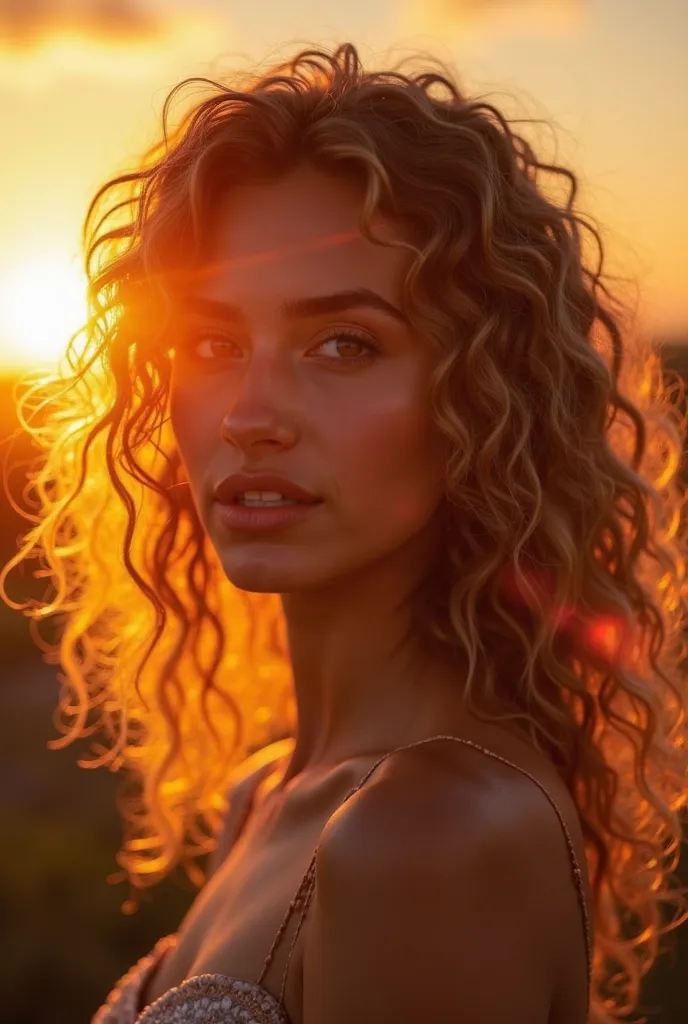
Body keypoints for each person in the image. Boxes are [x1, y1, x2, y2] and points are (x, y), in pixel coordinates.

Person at [2, 41, 688, 1024]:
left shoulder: (425, 835)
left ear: (481, 401)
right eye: (211, 341)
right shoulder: (266, 796)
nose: (248, 412)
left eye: (343, 343)